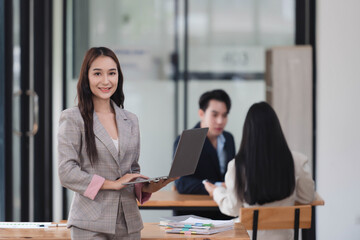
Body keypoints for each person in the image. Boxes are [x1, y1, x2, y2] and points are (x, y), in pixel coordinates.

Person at [58, 47, 175, 239]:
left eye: (112, 73)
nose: (106, 81)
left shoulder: (130, 120)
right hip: (90, 223)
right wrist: (112, 184)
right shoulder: (73, 118)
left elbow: (131, 171)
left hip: (128, 223)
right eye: (97, 73)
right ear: (86, 77)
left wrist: (148, 185)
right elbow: (66, 172)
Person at [204, 101, 315, 239]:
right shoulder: (297, 161)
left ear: (248, 132)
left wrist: (217, 192)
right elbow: (307, 197)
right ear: (277, 129)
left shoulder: (237, 166)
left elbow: (232, 208)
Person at [173, 89, 235, 219]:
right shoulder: (189, 139)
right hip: (194, 215)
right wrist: (218, 186)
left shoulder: (228, 139)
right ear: (201, 113)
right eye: (215, 115)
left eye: (224, 115)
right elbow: (182, 183)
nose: (220, 121)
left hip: (224, 210)